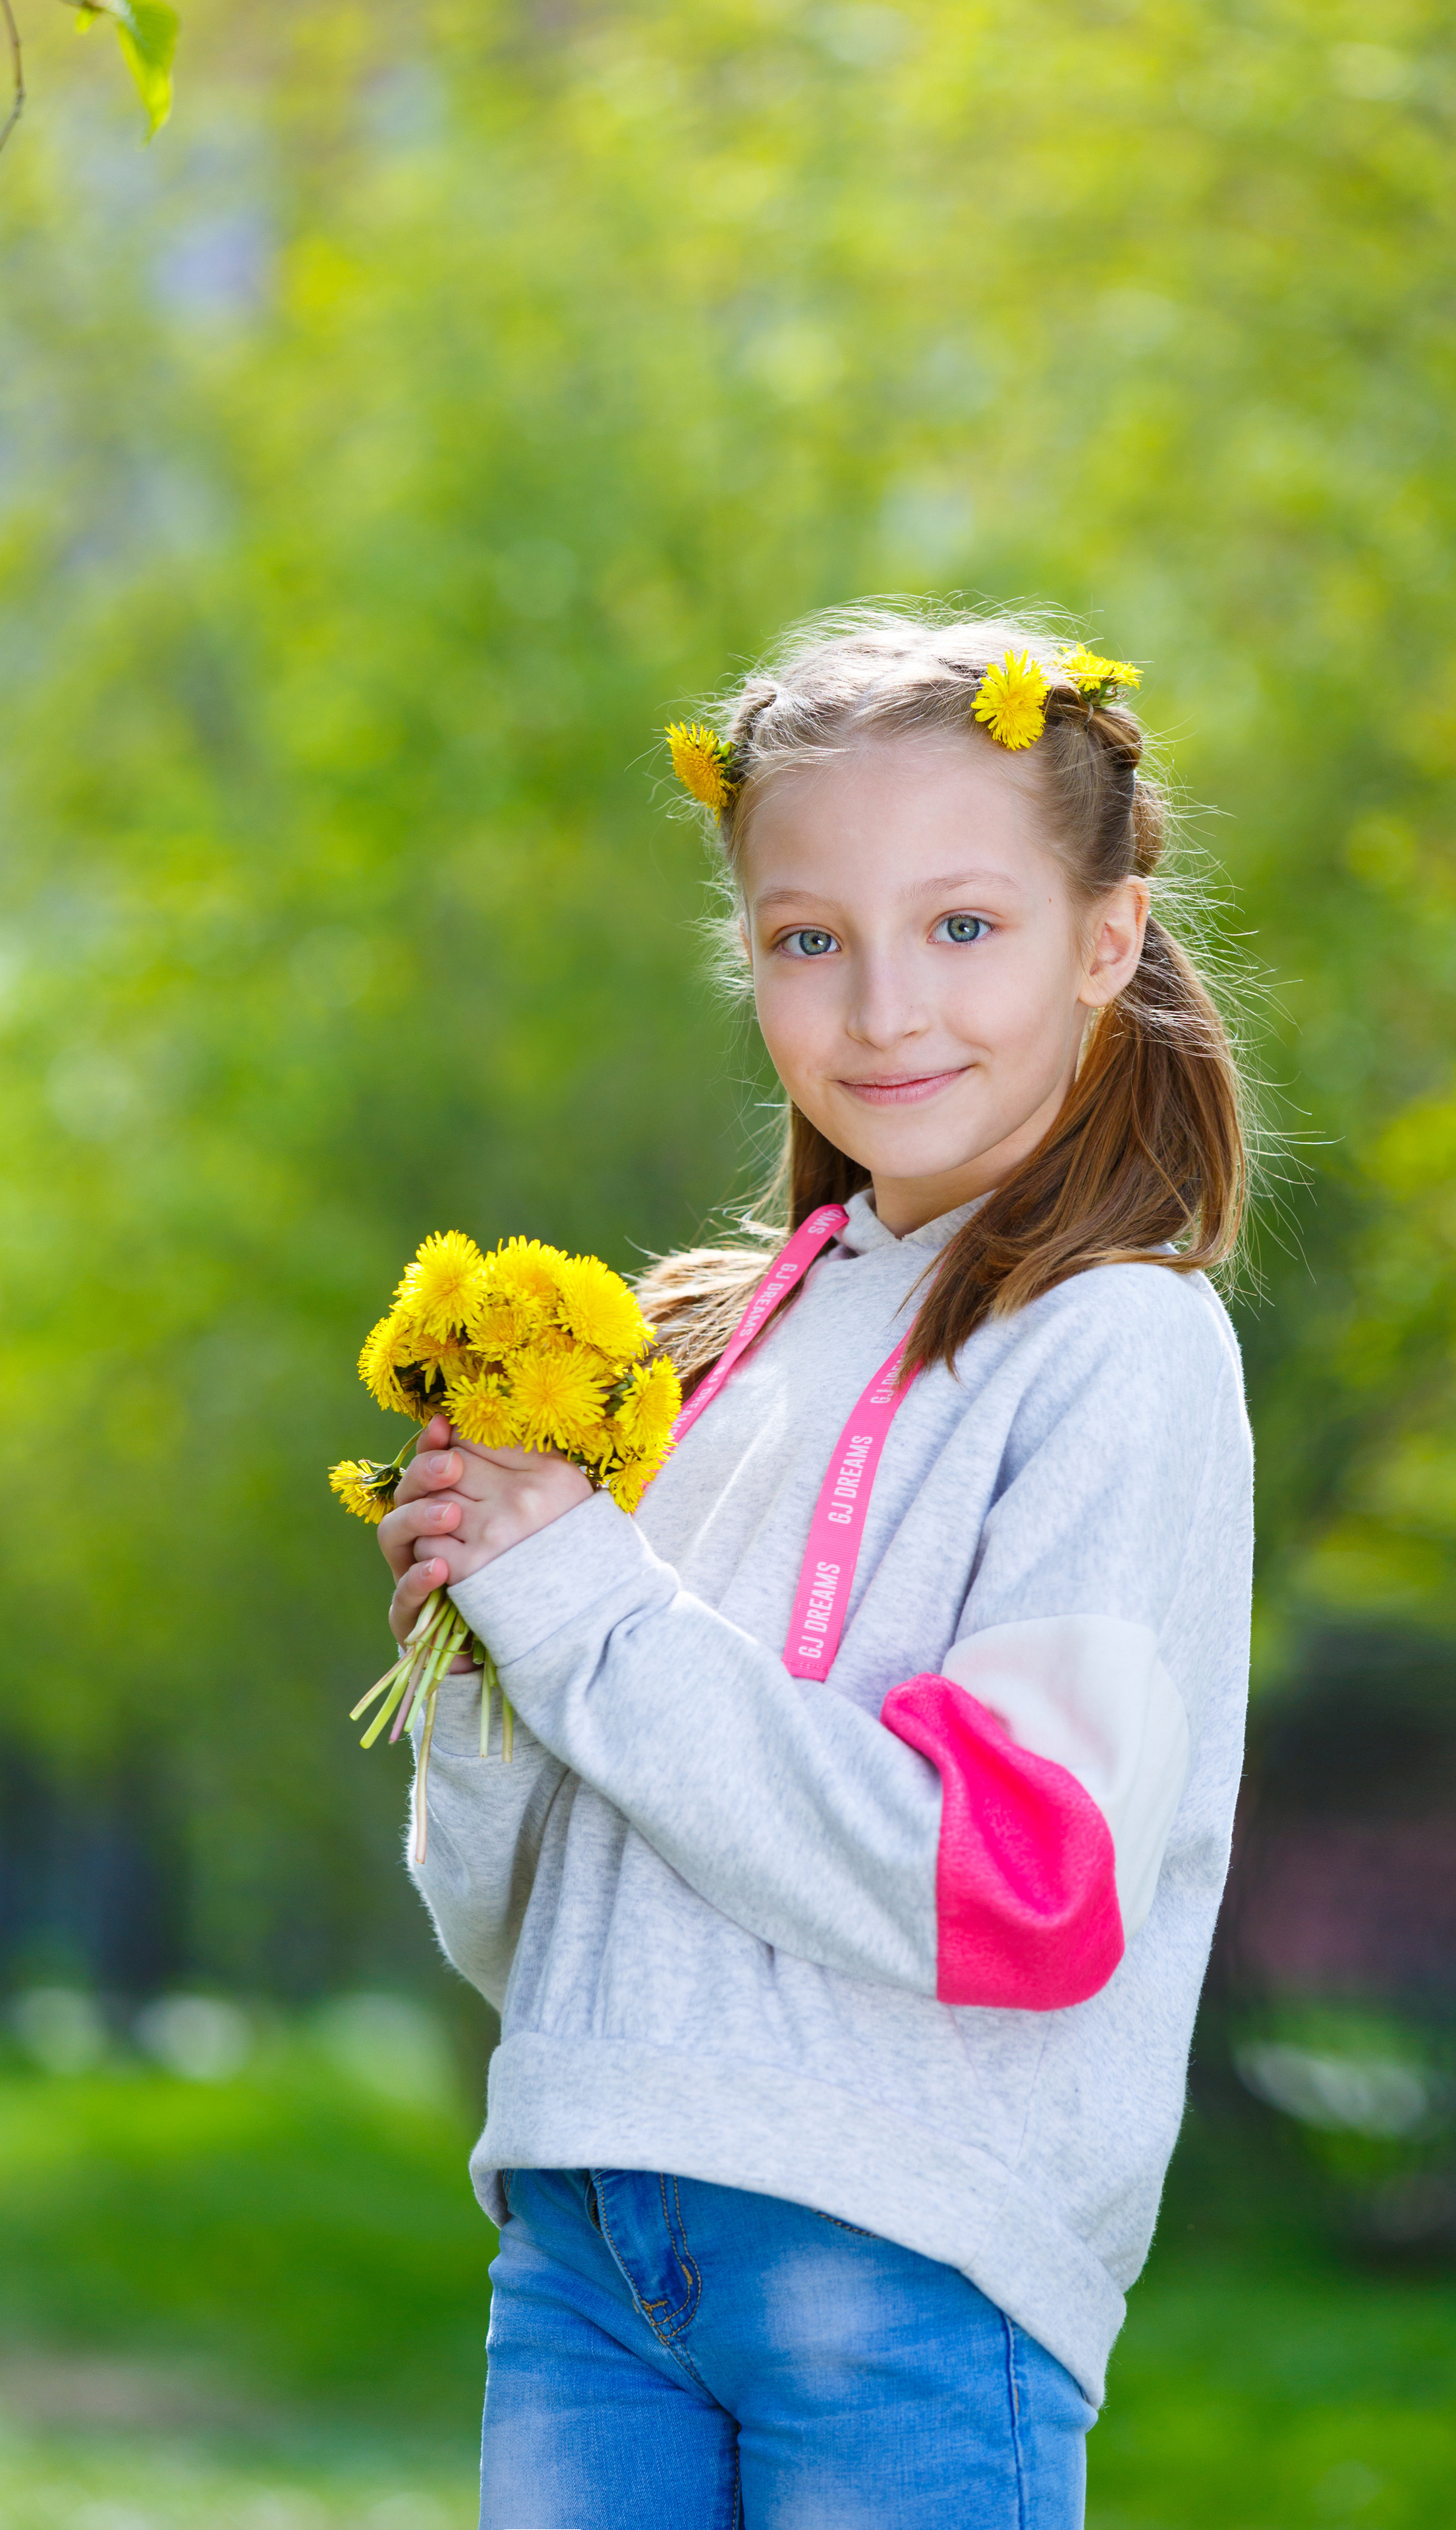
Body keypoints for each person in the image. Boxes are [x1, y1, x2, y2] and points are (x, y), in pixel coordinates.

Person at [376, 605, 1254, 2529]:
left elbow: (1009, 1886)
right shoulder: (711, 1349)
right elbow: (519, 1928)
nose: (883, 1011)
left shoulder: (1115, 1345)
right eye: (806, 941)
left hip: (902, 2256)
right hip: (595, 2230)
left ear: (1103, 941)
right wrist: (488, 1639)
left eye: (963, 927)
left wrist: (586, 1610)